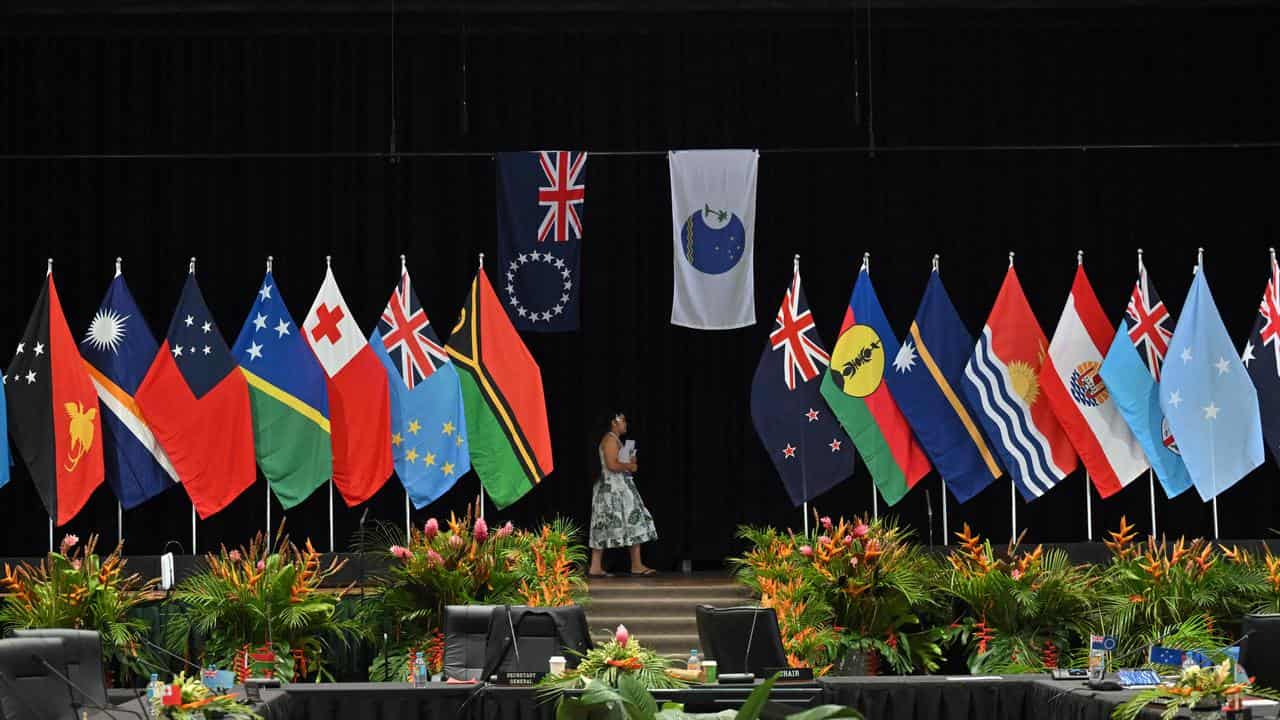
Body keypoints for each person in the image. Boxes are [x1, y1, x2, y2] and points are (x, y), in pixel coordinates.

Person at [588, 412, 658, 577]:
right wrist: (630, 467)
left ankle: (597, 566)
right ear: (614, 422)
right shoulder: (610, 439)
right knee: (630, 520)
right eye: (623, 420)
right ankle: (635, 564)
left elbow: (620, 463)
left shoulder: (615, 439)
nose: (625, 423)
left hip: (616, 487)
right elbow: (612, 465)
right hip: (613, 490)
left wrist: (630, 461)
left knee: (605, 524)